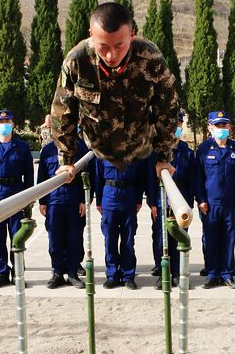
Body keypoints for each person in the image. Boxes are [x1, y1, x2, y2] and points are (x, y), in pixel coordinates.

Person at [50, 2, 178, 184]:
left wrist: (164, 158)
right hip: (97, 145)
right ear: (91, 35)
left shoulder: (151, 59)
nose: (111, 55)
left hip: (139, 144)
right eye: (103, 46)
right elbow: (63, 112)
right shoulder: (77, 61)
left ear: (131, 35)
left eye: (119, 46)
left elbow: (167, 109)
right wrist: (66, 160)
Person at [0, 109, 35, 288]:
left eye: (7, 122)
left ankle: (18, 273)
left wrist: (29, 198)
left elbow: (29, 174)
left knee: (17, 236)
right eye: (0, 122)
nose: (4, 125)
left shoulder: (22, 147)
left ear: (12, 124)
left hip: (16, 194)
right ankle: (2, 272)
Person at [195, 111, 235, 289]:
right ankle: (212, 273)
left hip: (231, 204)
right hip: (210, 204)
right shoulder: (203, 150)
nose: (222, 128)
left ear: (229, 127)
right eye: (218, 125)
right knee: (211, 239)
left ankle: (227, 273)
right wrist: (201, 199)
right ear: (210, 127)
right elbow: (198, 178)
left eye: (224, 125)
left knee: (228, 239)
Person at [38, 131, 92, 289]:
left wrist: (84, 200)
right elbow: (42, 176)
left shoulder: (81, 148)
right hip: (53, 200)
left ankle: (73, 273)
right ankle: (57, 273)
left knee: (74, 238)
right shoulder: (47, 150)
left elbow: (89, 175)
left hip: (74, 200)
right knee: (55, 239)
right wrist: (42, 201)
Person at [147, 112, 195, 289]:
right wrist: (152, 202)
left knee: (179, 238)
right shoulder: (156, 152)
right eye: (173, 124)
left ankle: (177, 273)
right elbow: (150, 180)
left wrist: (189, 204)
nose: (176, 128)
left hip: (181, 202)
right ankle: (163, 274)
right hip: (161, 201)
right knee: (162, 240)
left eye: (179, 124)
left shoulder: (187, 152)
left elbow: (192, 180)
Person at [95, 157, 149, 289]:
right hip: (109, 195)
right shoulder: (103, 151)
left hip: (129, 195)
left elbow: (141, 177)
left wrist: (138, 200)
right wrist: (99, 201)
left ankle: (128, 276)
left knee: (128, 240)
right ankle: (112, 275)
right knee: (110, 239)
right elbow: (97, 177)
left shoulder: (134, 152)